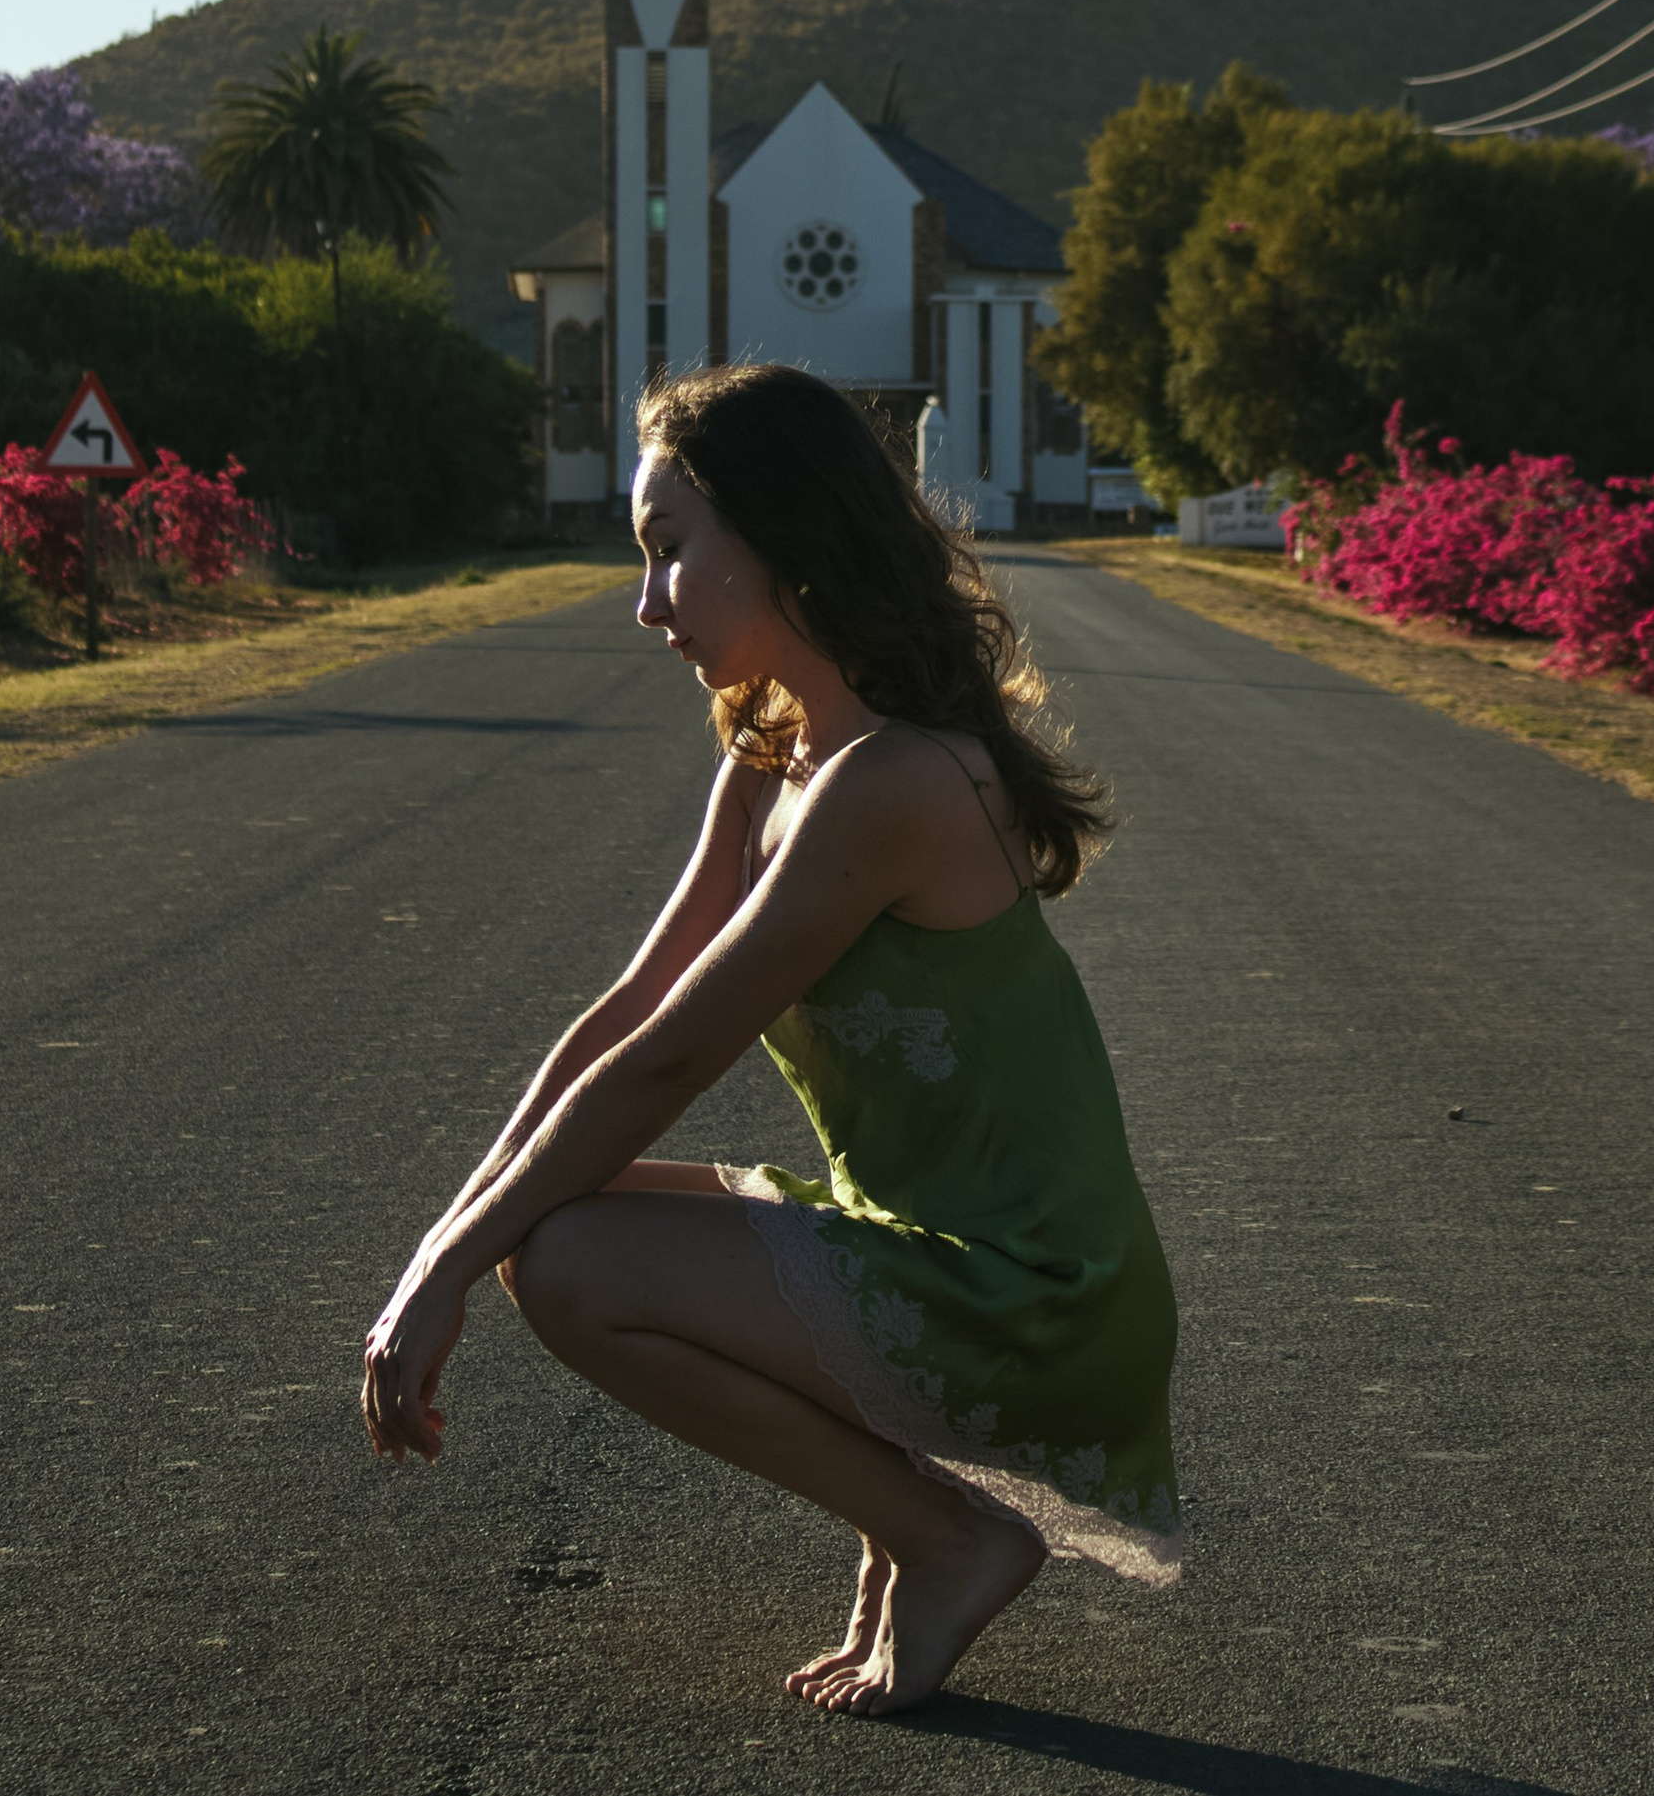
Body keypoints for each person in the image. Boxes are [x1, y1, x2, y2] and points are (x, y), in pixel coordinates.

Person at [360, 359, 1182, 1717]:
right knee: (540, 1229)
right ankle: (912, 1531)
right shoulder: (774, 758)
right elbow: (620, 1017)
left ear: (782, 535)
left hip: (1036, 1294)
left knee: (567, 1259)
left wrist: (444, 1268)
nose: (645, 601)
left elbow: (675, 1060)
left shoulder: (895, 780)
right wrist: (436, 1254)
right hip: (923, 1255)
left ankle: (946, 1534)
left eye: (668, 551)